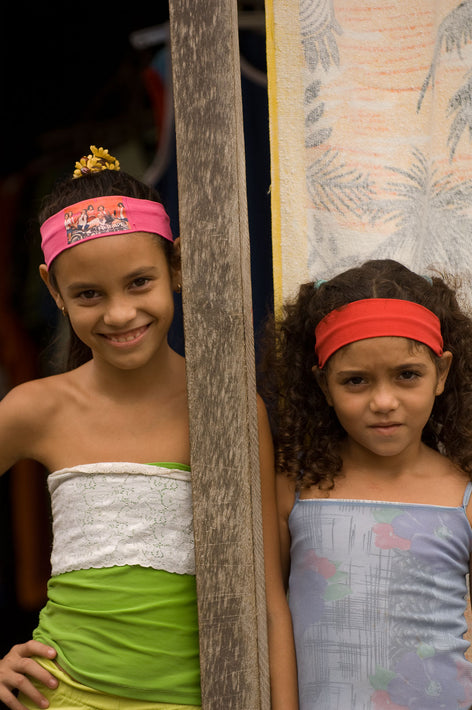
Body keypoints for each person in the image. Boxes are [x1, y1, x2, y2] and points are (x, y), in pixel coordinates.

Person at [0, 146, 291, 710]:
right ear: (53, 291)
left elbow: (269, 597)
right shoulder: (35, 409)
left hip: (203, 698)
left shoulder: (229, 410)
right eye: (88, 294)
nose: (118, 314)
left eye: (139, 282)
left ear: (175, 267)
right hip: (66, 696)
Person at [260, 259, 472, 710]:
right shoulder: (293, 487)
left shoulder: (464, 496)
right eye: (355, 381)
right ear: (322, 384)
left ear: (443, 373)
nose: (383, 402)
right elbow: (271, 612)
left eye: (407, 375)